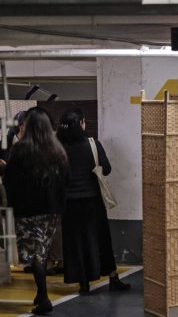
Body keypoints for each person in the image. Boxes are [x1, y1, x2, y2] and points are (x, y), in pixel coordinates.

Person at [57, 108, 130, 294]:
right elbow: (107, 169)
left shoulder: (58, 147)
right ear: (81, 123)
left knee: (76, 243)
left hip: (68, 203)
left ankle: (83, 283)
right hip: (92, 201)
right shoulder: (92, 144)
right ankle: (113, 278)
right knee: (101, 240)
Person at [4, 107, 69, 314]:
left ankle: (43, 297)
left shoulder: (20, 150)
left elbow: (9, 181)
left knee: (34, 254)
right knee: (41, 251)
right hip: (51, 210)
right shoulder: (58, 150)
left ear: (29, 126)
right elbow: (66, 179)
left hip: (27, 210)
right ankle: (41, 295)